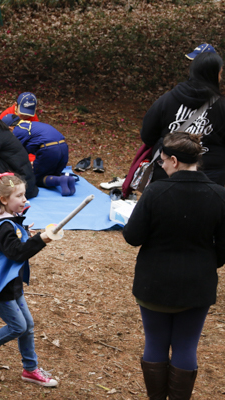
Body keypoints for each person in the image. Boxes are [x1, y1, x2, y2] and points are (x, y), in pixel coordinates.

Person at [123, 132, 225, 400]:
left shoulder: (156, 192)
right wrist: (206, 263)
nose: (162, 165)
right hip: (198, 285)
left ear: (175, 160)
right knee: (186, 346)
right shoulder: (219, 195)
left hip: (153, 283)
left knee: (155, 344)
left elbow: (132, 237)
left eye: (163, 160)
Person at [0, 173, 58, 388]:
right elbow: (17, 252)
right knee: (18, 326)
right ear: (3, 200)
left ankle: (30, 369)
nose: (24, 200)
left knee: (27, 326)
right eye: (19, 196)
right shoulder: (2, 226)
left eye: (24, 195)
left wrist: (29, 233)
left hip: (11, 282)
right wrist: (41, 239)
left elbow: (16, 242)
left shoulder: (7, 221)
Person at [141, 52, 225, 185]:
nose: (220, 78)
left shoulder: (167, 99)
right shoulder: (222, 107)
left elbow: (147, 136)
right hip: (209, 180)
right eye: (220, 73)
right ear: (214, 74)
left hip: (167, 173)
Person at [12, 120, 74, 196]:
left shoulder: (17, 130)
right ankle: (67, 179)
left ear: (10, 128)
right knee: (53, 173)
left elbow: (17, 152)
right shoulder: (34, 125)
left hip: (49, 150)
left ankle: (60, 180)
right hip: (64, 147)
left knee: (36, 178)